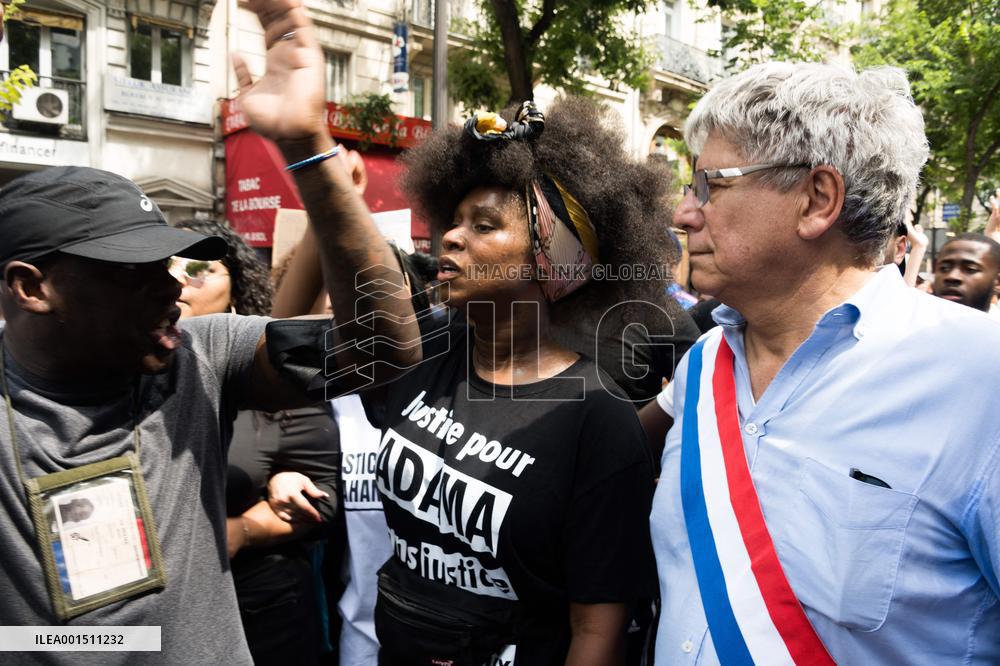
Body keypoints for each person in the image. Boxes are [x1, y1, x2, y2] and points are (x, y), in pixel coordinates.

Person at [232, 2, 660, 663]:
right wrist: (307, 149)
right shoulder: (431, 348)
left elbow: (596, 629)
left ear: (556, 260)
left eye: (485, 225)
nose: (452, 236)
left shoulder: (596, 418)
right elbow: (298, 338)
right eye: (453, 220)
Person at [650, 61, 1000, 664]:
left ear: (817, 199)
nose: (683, 213)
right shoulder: (705, 361)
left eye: (710, 185)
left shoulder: (981, 382)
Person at [0, 165, 347, 663]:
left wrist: (313, 159)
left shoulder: (200, 356)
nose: (172, 289)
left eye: (166, 265)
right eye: (130, 271)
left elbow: (380, 350)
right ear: (31, 288)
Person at [170, 218, 339, 665]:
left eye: (198, 268)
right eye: (166, 265)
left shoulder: (266, 377)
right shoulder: (138, 368)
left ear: (236, 285)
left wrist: (242, 531)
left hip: (262, 613)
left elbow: (321, 501)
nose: (178, 280)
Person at [931, 232, 1000, 312]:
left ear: (997, 281)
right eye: (944, 268)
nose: (952, 276)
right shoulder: (916, 319)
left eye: (970, 269)